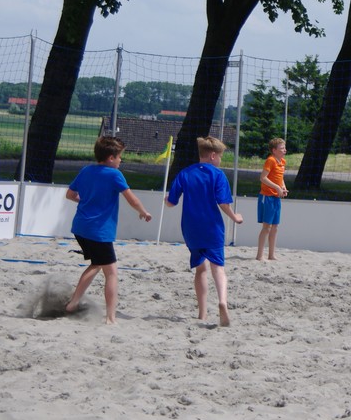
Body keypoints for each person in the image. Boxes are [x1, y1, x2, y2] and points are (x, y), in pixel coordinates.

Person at [65, 136, 153, 324]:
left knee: (97, 264)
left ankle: (74, 303)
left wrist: (86, 201)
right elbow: (132, 199)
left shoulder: (86, 170)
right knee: (111, 272)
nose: (121, 160)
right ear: (111, 158)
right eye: (120, 156)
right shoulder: (114, 175)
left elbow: (70, 195)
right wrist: (143, 212)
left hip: (80, 227)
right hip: (99, 231)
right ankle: (110, 317)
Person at [166, 136, 243, 326]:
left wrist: (166, 200)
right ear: (213, 155)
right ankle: (222, 301)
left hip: (191, 228)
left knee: (200, 269)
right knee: (218, 267)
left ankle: (202, 313)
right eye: (220, 156)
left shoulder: (185, 173)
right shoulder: (218, 175)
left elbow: (171, 202)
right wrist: (234, 217)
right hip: (212, 227)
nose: (220, 160)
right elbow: (223, 203)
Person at [256, 137, 287, 261]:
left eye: (284, 148)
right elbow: (263, 178)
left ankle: (271, 255)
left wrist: (283, 187)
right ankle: (259, 255)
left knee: (275, 227)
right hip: (267, 196)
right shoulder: (270, 160)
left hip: (276, 197)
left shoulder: (282, 161)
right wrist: (277, 187)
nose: (284, 150)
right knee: (266, 227)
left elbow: (280, 178)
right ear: (274, 150)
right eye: (282, 148)